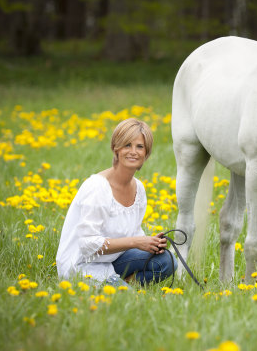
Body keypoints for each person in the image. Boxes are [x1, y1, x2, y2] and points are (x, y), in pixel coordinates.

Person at [56, 118, 175, 286]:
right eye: (127, 145)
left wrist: (150, 242)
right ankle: (120, 286)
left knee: (167, 261)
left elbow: (133, 232)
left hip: (113, 259)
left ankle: (124, 282)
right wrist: (136, 242)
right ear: (116, 149)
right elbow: (87, 245)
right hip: (82, 265)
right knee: (124, 299)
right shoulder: (98, 187)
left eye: (140, 146)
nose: (133, 151)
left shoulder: (139, 189)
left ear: (146, 153)